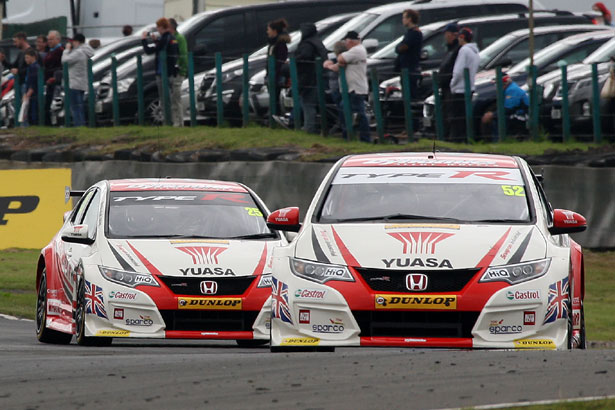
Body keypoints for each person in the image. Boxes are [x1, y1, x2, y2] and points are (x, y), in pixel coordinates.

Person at [323, 31, 370, 142]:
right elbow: (339, 65)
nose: (346, 44)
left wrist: (333, 60)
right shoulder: (355, 51)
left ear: (349, 41)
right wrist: (331, 66)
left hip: (355, 88)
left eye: (346, 42)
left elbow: (341, 59)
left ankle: (363, 138)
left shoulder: (357, 50)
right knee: (346, 110)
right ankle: (350, 135)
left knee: (358, 114)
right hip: (352, 88)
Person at [141, 18, 179, 126]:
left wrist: (144, 40)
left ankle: (167, 122)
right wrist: (156, 41)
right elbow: (164, 48)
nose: (157, 29)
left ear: (162, 27)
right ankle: (170, 121)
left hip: (163, 73)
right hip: (171, 73)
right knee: (170, 99)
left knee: (164, 99)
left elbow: (149, 51)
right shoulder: (171, 38)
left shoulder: (165, 38)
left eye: (158, 27)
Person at [295, 22, 328, 134]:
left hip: (308, 78)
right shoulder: (317, 42)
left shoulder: (307, 44)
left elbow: (304, 57)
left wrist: (294, 60)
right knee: (308, 103)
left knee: (308, 104)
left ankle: (309, 129)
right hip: (319, 77)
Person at [449, 27, 479, 142]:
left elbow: (458, 71)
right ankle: (466, 138)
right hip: (469, 87)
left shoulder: (464, 50)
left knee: (457, 118)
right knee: (465, 116)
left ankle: (457, 139)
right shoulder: (475, 51)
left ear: (462, 37)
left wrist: (453, 84)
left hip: (459, 89)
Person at [61, 33, 95, 127]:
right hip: (81, 83)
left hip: (74, 83)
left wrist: (67, 50)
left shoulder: (79, 52)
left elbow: (64, 61)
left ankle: (79, 125)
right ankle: (81, 125)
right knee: (79, 106)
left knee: (75, 107)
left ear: (77, 42)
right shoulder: (85, 51)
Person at [481, 75, 529, 139]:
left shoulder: (512, 90)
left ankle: (499, 140)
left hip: (524, 114)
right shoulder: (509, 88)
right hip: (519, 112)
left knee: (499, 119)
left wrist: (492, 115)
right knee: (497, 117)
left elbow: (509, 109)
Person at [438, 23, 461, 140]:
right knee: (445, 114)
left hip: (450, 87)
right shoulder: (450, 49)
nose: (445, 37)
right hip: (445, 86)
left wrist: (447, 80)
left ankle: (451, 138)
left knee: (451, 115)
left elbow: (454, 69)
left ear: (454, 35)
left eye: (447, 34)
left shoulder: (457, 50)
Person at [265, 19, 290, 118]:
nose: (267, 31)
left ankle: (274, 116)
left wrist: (274, 74)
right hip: (271, 73)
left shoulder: (280, 45)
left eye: (269, 29)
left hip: (276, 75)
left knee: (275, 97)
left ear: (274, 31)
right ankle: (273, 115)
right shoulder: (272, 44)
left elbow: (279, 61)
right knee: (273, 97)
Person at [395, 9, 422, 98]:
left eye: (404, 18)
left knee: (410, 96)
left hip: (411, 69)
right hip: (405, 69)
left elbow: (403, 47)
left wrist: (399, 48)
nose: (403, 20)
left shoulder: (415, 34)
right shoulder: (409, 33)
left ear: (409, 19)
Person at [43, 30, 65, 126]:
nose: (49, 41)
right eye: (48, 40)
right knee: (47, 104)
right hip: (48, 82)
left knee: (53, 104)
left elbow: (59, 67)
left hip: (55, 82)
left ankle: (53, 124)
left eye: (51, 39)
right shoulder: (50, 51)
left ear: (58, 39)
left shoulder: (60, 51)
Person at [169, 18, 188, 127]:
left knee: (177, 97)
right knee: (173, 98)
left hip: (178, 72)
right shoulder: (171, 38)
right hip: (172, 72)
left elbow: (183, 54)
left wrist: (180, 67)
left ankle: (179, 122)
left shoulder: (179, 38)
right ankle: (175, 121)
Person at [22, 48, 40, 126]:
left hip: (33, 93)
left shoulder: (34, 67)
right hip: (29, 91)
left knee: (33, 112)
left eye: (27, 57)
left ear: (33, 57)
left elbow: (33, 81)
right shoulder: (31, 67)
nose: (26, 60)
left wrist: (28, 93)